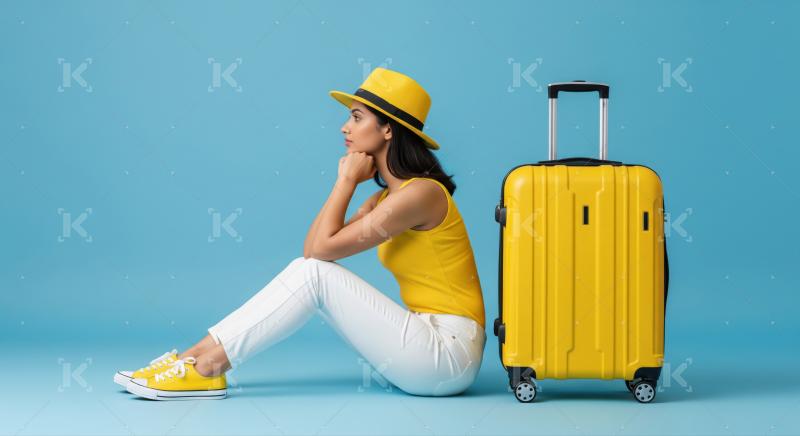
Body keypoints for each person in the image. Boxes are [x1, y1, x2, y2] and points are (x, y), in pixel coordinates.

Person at [114, 67, 486, 400]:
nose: (345, 127)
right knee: (309, 271)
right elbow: (315, 249)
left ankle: (207, 369)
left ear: (388, 129)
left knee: (312, 274)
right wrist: (350, 188)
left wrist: (344, 181)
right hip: (420, 343)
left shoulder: (421, 194)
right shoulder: (384, 199)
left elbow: (319, 256)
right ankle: (189, 360)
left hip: (447, 354)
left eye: (356, 118)